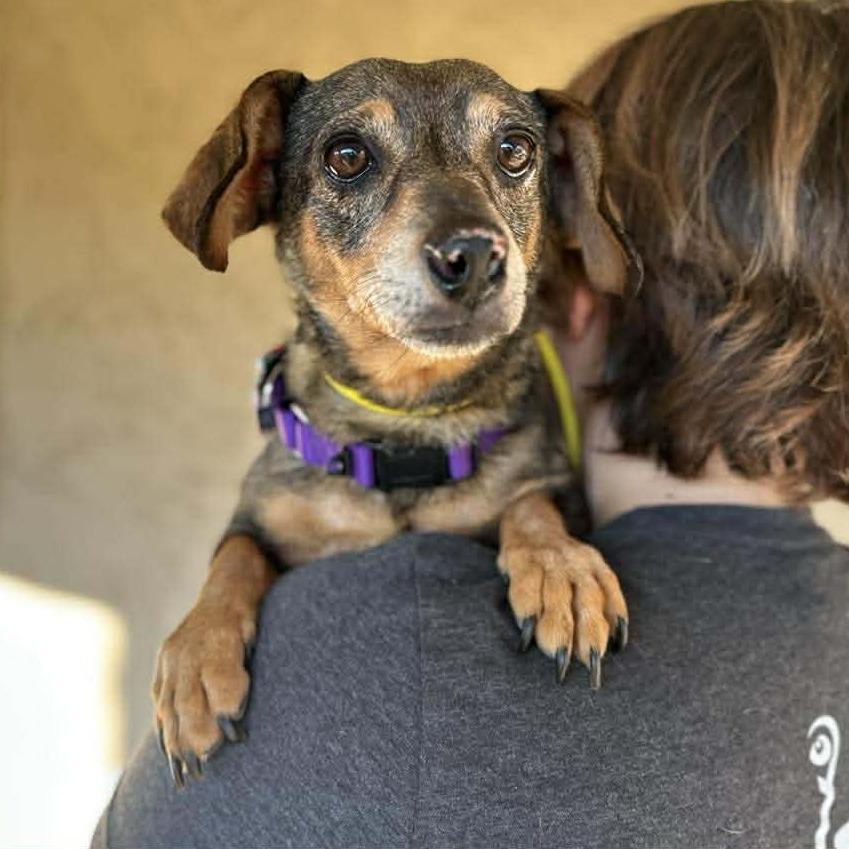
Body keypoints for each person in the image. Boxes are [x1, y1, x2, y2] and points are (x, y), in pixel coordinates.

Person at [94, 2, 849, 846]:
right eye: (351, 159)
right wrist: (224, 595)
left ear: (571, 245)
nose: (465, 234)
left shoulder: (402, 639)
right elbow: (258, 527)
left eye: (510, 154)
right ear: (264, 179)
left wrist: (532, 520)